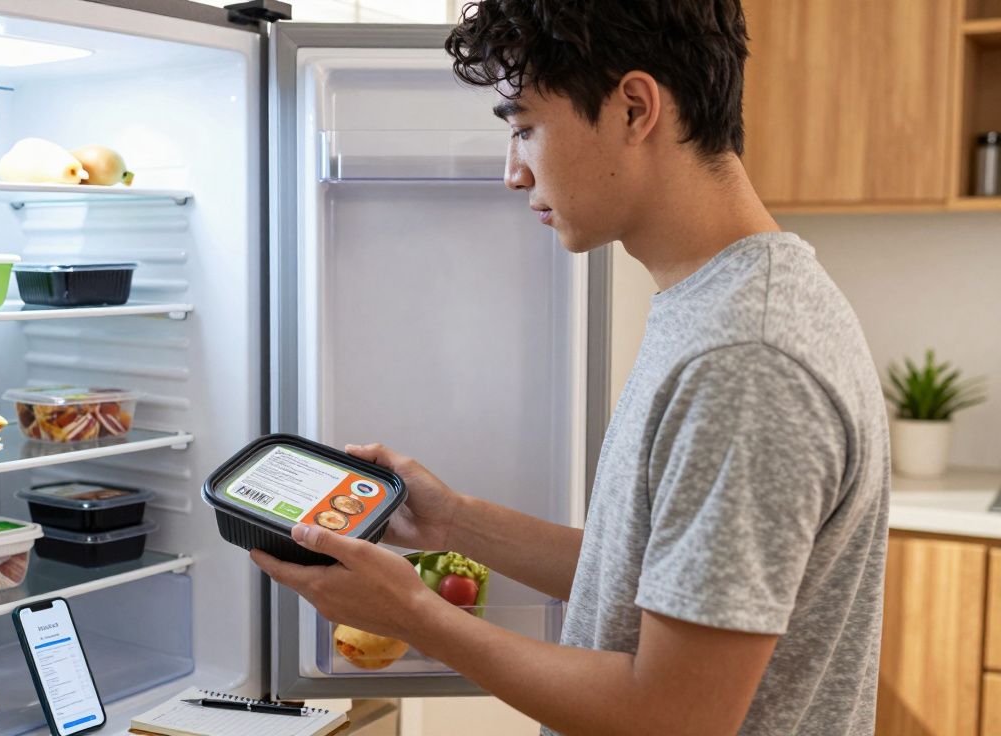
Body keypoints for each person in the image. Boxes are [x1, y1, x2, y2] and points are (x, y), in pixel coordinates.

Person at [252, 1, 890, 734]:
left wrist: (416, 616)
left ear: (634, 108)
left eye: (525, 128)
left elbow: (673, 718)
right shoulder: (721, 302)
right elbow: (653, 578)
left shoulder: (745, 358)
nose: (512, 174)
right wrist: (455, 522)